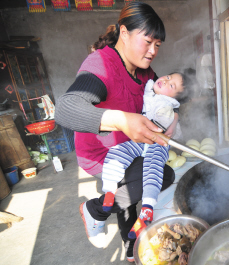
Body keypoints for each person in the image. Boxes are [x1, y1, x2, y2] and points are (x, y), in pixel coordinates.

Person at [54, 2, 176, 262]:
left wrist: (172, 114)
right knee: (156, 177)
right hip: (101, 153)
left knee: (143, 181)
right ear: (124, 33)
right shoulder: (102, 63)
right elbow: (66, 109)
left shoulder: (145, 71)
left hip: (130, 146)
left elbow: (160, 99)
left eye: (158, 45)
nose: (153, 51)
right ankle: (94, 209)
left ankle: (130, 248)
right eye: (148, 42)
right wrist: (121, 120)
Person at [101, 72, 190, 240]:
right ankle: (109, 189)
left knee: (153, 168)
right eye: (169, 77)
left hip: (158, 142)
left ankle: (147, 209)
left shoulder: (169, 106)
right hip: (139, 140)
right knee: (116, 153)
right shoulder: (149, 89)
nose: (166, 80)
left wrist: (174, 116)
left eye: (172, 86)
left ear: (175, 99)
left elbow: (169, 119)